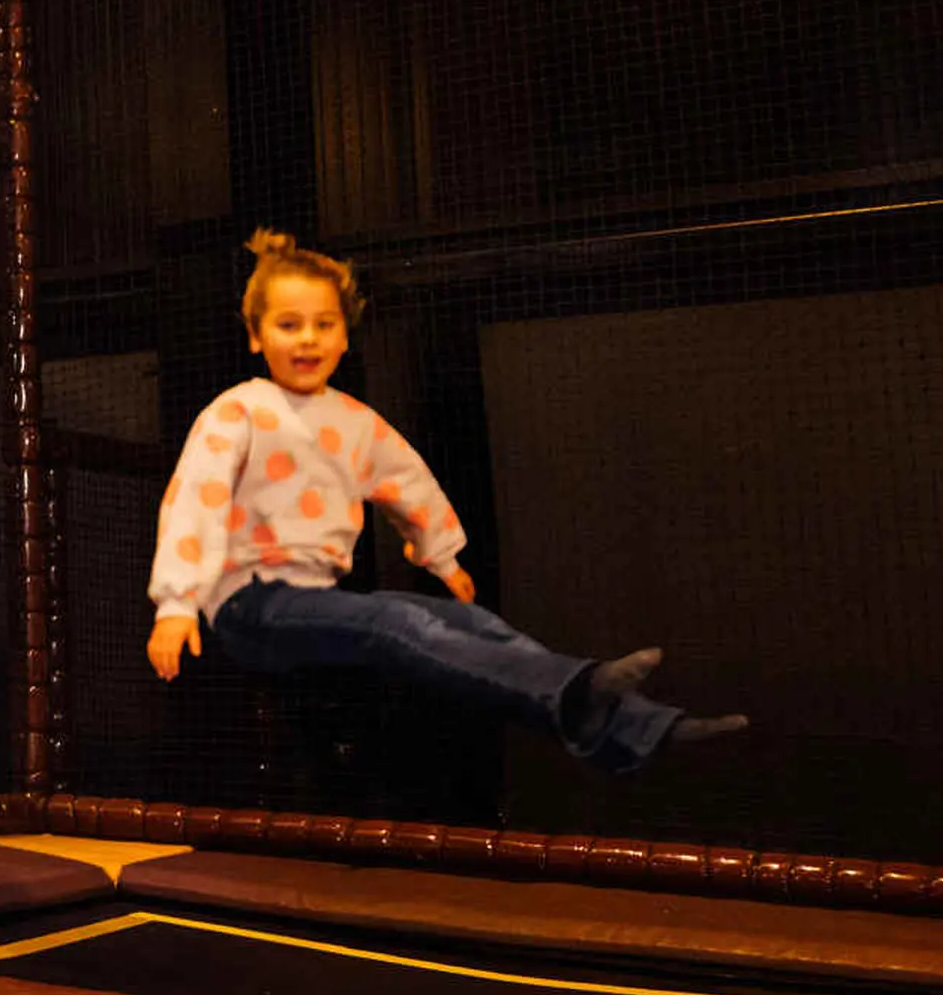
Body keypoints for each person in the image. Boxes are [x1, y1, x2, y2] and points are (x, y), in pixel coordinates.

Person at [146, 227, 741, 772]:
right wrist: (177, 603)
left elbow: (408, 481)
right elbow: (197, 496)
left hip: (315, 602)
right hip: (252, 607)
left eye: (323, 324)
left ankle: (644, 729)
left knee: (475, 624)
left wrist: (442, 554)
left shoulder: (355, 422)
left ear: (345, 336)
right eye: (288, 324)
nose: (308, 339)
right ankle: (591, 700)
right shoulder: (240, 410)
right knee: (398, 620)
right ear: (256, 335)